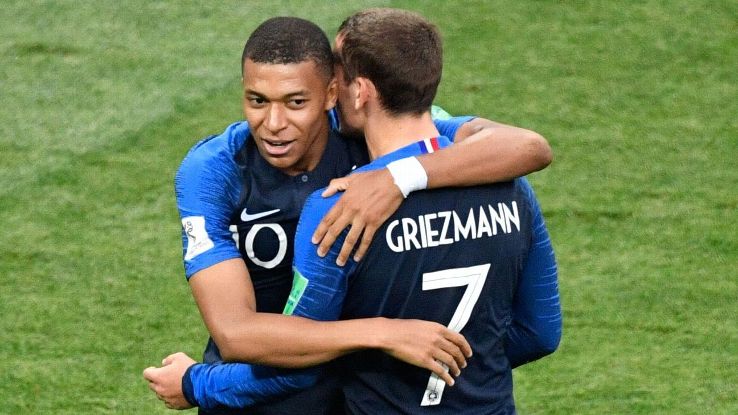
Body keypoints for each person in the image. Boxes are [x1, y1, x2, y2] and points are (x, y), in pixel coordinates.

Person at [144, 15, 554, 413]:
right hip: (260, 392)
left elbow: (526, 146)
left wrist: (399, 177)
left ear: (332, 93)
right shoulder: (217, 168)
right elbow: (235, 333)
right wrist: (380, 336)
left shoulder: (370, 134)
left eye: (296, 102)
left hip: (358, 390)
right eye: (257, 101)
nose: (273, 124)